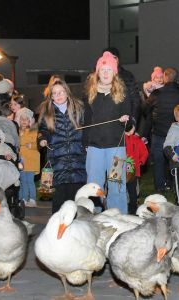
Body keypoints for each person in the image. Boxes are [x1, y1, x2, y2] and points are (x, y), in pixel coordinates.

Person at [83, 51, 131, 213]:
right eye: (102, 70)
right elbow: (87, 120)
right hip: (95, 147)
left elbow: (130, 120)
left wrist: (128, 120)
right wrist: (85, 143)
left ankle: (119, 217)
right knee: (93, 186)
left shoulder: (122, 94)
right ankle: (93, 217)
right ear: (97, 73)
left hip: (116, 148)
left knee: (116, 185)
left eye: (109, 70)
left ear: (114, 73)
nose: (105, 73)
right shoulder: (90, 94)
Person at [38, 77, 87, 214]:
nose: (58, 95)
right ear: (51, 96)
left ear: (67, 92)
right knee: (60, 199)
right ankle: (56, 229)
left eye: (61, 92)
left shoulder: (79, 108)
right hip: (58, 160)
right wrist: (42, 139)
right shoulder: (47, 111)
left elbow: (87, 128)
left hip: (78, 159)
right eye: (54, 93)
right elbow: (42, 130)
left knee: (78, 199)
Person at [142, 67, 179, 192]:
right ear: (176, 78)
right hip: (177, 133)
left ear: (165, 77)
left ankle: (160, 187)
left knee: (158, 161)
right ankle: (175, 185)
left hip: (159, 133)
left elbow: (144, 108)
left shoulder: (156, 94)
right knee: (177, 160)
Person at [124, 119, 148, 214]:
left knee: (132, 190)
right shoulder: (120, 139)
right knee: (118, 190)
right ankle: (121, 207)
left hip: (132, 168)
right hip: (119, 167)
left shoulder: (137, 140)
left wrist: (141, 161)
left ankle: (133, 209)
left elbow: (144, 152)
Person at [17, 107, 39, 208]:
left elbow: (37, 144)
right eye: (22, 119)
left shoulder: (33, 131)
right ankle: (23, 199)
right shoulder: (17, 132)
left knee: (29, 180)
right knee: (22, 180)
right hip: (21, 160)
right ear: (18, 120)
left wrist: (31, 145)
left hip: (31, 160)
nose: (24, 121)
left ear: (30, 121)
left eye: (26, 119)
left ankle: (32, 199)